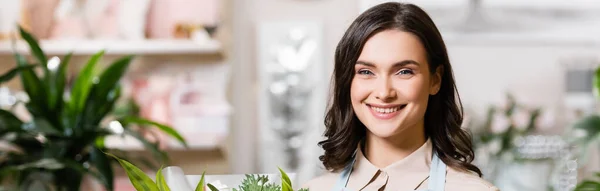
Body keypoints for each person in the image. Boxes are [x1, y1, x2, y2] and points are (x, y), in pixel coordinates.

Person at [302, 2, 499, 191]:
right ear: (347, 81)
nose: (384, 93)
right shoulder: (312, 189)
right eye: (366, 72)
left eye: (404, 71)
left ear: (435, 80)